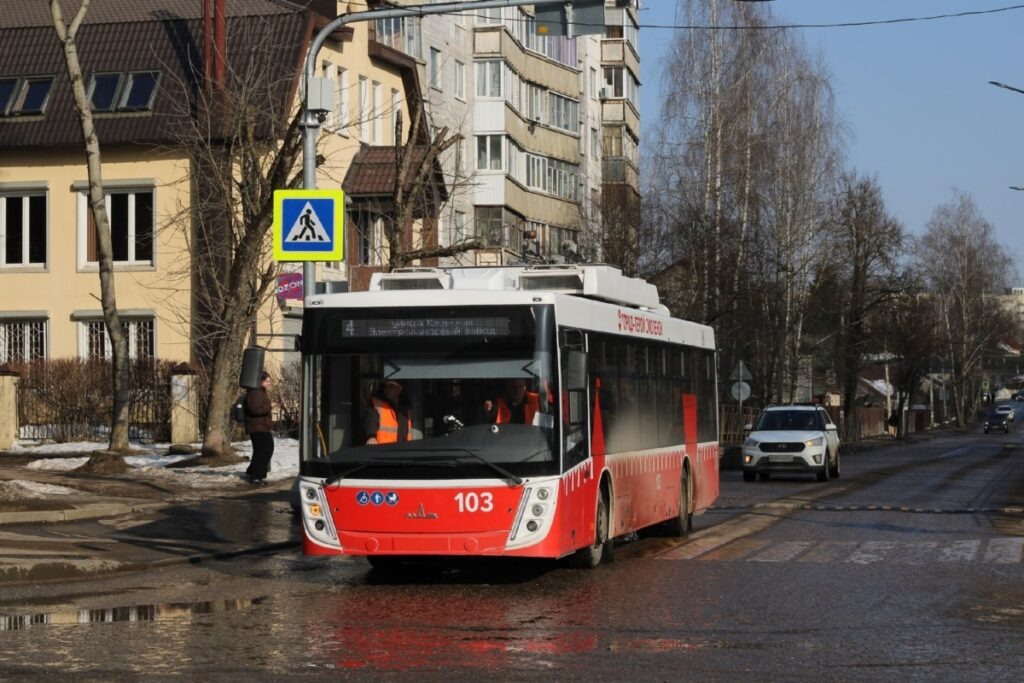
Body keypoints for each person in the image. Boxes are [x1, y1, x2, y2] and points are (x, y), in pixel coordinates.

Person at [244, 371, 274, 486]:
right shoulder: (255, 393)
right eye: (267, 381)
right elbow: (255, 410)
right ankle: (256, 476)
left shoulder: (260, 392)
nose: (269, 384)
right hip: (257, 427)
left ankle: (254, 473)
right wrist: (270, 406)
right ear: (260, 381)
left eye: (269, 381)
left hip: (261, 426)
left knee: (263, 451)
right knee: (264, 451)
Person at [365, 380, 412, 444]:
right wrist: (371, 437)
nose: (387, 390)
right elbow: (371, 420)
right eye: (386, 387)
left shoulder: (406, 408)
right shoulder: (377, 403)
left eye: (391, 387)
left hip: (402, 450)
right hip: (382, 450)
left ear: (399, 390)